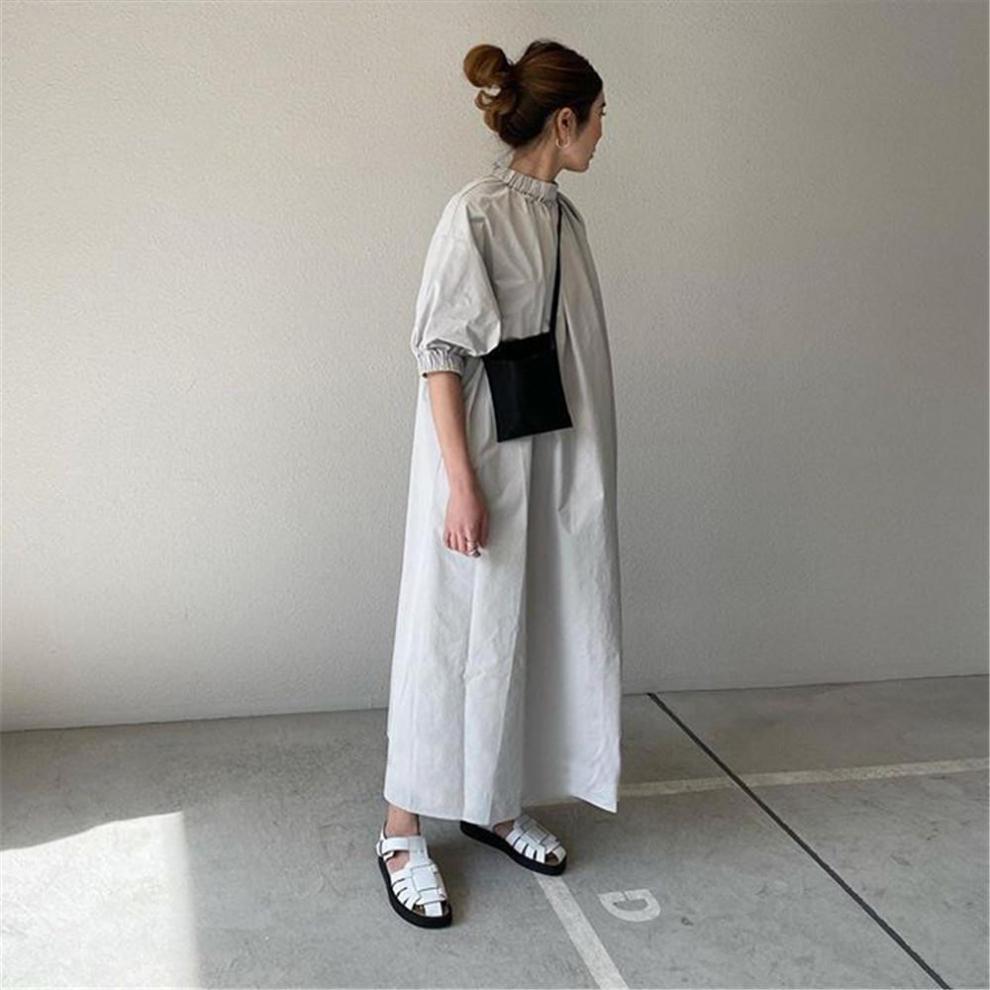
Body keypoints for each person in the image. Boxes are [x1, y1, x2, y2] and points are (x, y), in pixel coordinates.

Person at [376, 39, 620, 928]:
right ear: (566, 120)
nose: (605, 132)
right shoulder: (475, 212)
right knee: (448, 632)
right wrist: (461, 485)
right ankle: (401, 829)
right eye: (600, 116)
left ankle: (494, 802)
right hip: (482, 461)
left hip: (550, 464)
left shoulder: (564, 220)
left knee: (525, 629)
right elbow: (441, 354)